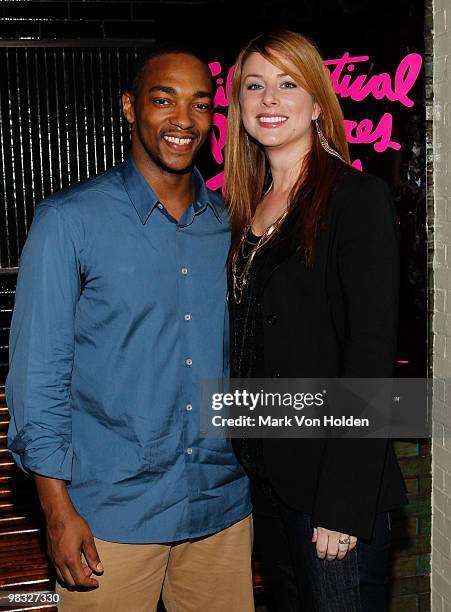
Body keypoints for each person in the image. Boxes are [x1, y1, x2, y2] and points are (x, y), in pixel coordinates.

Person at [6, 46, 253, 612]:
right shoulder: (69, 221)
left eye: (199, 104)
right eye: (163, 99)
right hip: (108, 519)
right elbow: (37, 376)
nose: (182, 120)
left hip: (220, 511)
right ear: (129, 107)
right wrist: (56, 509)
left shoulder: (231, 225)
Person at [224, 30, 408, 611]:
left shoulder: (356, 198)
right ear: (240, 107)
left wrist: (342, 503)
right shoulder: (248, 206)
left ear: (316, 103)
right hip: (268, 483)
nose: (270, 99)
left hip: (331, 490)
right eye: (255, 86)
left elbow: (371, 354)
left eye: (287, 84)